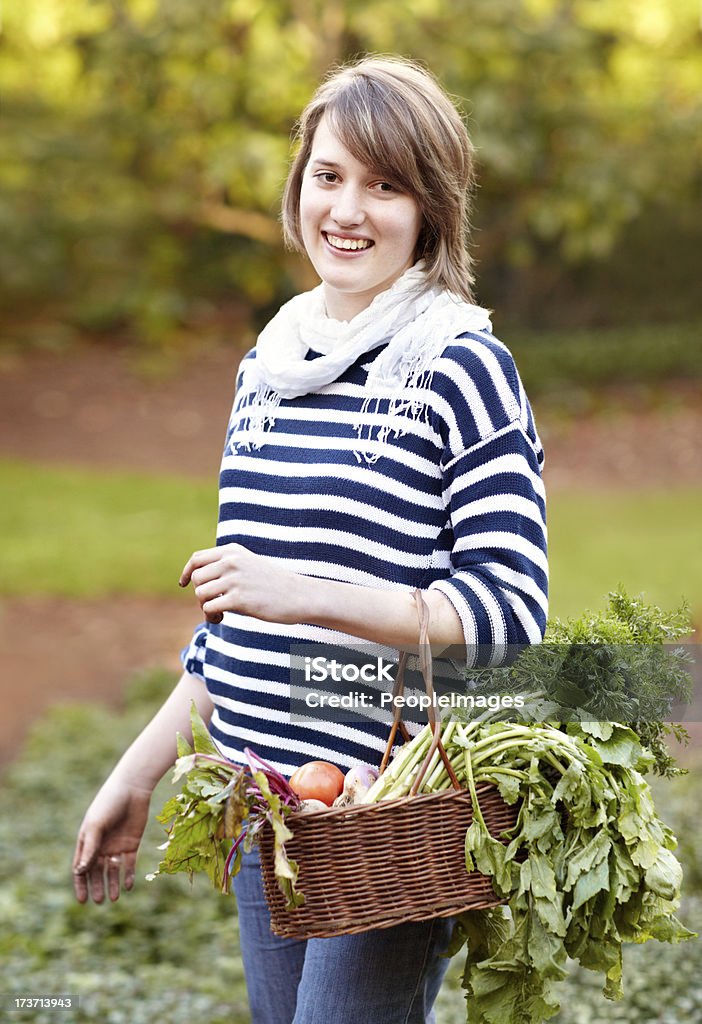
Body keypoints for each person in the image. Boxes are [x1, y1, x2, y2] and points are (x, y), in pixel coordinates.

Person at [72, 55, 548, 1023]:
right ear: (299, 185)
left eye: (385, 184)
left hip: (385, 808)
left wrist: (304, 591)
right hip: (269, 801)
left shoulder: (462, 366)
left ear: (432, 209)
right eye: (329, 175)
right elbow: (237, 630)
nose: (348, 209)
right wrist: (136, 772)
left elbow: (508, 615)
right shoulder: (271, 365)